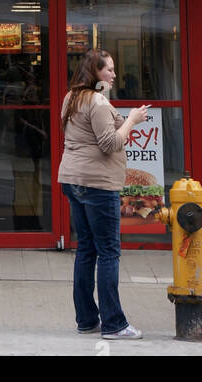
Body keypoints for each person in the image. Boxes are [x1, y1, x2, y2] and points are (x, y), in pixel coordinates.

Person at [58, 49, 150, 340]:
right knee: (109, 252)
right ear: (94, 72)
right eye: (107, 70)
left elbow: (90, 130)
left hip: (72, 179)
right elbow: (109, 143)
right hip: (98, 184)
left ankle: (86, 319)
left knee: (86, 250)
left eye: (113, 69)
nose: (113, 74)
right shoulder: (97, 101)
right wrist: (132, 120)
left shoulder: (72, 97)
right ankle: (114, 324)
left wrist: (119, 117)